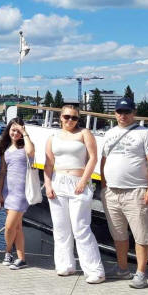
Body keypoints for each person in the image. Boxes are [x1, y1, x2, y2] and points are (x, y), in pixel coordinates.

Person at [100, 97, 148, 288]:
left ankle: (141, 273)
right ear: (115, 113)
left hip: (136, 191)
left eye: (127, 112)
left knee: (141, 235)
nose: (123, 115)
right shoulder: (109, 133)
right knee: (118, 234)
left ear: (134, 113)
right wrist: (104, 186)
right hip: (112, 192)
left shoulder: (145, 133)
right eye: (119, 112)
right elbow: (104, 160)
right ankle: (122, 269)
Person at [44, 105, 105, 283]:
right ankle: (65, 265)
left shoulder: (85, 133)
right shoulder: (52, 137)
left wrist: (83, 181)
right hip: (58, 182)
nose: (70, 120)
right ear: (60, 117)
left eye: (74, 117)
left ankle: (95, 270)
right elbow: (48, 164)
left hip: (78, 181)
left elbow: (93, 158)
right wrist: (48, 185)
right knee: (60, 227)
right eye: (67, 117)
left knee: (81, 227)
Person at [0, 118, 34, 270]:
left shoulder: (26, 145)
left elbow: (31, 152)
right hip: (8, 192)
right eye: (13, 130)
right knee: (17, 228)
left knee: (9, 227)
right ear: (8, 130)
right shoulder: (5, 148)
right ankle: (21, 258)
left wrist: (24, 132)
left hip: (21, 193)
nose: (15, 133)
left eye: (18, 130)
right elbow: (2, 172)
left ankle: (7, 252)